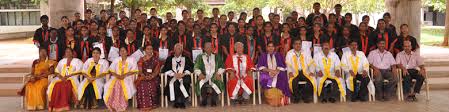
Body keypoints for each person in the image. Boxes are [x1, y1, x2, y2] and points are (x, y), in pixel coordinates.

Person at [103, 47, 138, 111]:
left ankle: (121, 105)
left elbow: (134, 70)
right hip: (116, 77)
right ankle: (112, 104)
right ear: (119, 53)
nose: (122, 52)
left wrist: (124, 75)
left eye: (124, 51)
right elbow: (111, 70)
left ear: (127, 52)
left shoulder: (132, 59)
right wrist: (117, 75)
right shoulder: (116, 59)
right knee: (112, 85)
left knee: (119, 84)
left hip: (128, 77)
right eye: (121, 51)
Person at [257, 42, 291, 106]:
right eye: (269, 46)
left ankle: (281, 99)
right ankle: (272, 100)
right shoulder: (263, 56)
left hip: (277, 73)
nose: (270, 48)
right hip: (267, 73)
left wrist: (276, 71)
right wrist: (270, 71)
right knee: (265, 78)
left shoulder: (278, 55)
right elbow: (260, 67)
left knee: (282, 77)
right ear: (267, 48)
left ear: (274, 48)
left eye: (272, 46)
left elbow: (282, 65)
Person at [162, 43, 194, 108]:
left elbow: (191, 68)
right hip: (173, 76)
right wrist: (174, 74)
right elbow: (165, 69)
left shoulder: (186, 58)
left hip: (184, 75)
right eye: (176, 48)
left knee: (185, 82)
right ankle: (176, 101)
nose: (178, 50)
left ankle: (182, 101)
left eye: (179, 49)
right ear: (174, 50)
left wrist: (184, 73)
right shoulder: (169, 58)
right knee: (175, 83)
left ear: (182, 50)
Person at [194, 42, 225, 107]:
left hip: (214, 76)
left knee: (217, 81)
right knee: (201, 82)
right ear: (204, 48)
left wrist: (218, 73)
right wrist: (199, 74)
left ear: (212, 48)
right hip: (204, 76)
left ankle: (213, 100)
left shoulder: (217, 56)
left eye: (210, 47)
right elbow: (196, 67)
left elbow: (222, 66)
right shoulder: (200, 57)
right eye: (207, 47)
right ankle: (204, 100)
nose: (208, 49)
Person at [136, 45, 161, 110]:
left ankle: (153, 104)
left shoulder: (156, 59)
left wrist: (152, 76)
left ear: (152, 50)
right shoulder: (141, 59)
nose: (149, 50)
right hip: (143, 77)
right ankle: (144, 105)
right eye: (148, 49)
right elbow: (140, 70)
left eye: (151, 49)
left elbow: (157, 71)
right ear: (145, 50)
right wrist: (144, 76)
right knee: (142, 84)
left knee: (152, 84)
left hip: (154, 77)